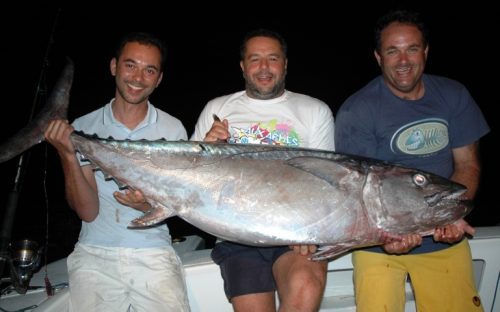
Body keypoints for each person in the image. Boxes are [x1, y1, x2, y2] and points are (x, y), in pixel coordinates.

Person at [335, 9, 490, 312]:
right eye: (393, 51)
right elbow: (359, 195)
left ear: (426, 51)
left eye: (412, 49)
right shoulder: (358, 111)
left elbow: (468, 164)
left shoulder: (453, 96)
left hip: (446, 236)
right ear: (379, 57)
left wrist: (452, 214)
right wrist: (384, 239)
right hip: (377, 245)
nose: (403, 61)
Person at [43, 32, 190, 312]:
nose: (138, 78)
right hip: (95, 253)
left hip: (153, 251)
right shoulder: (85, 125)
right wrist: (67, 154)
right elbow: (88, 212)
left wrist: (145, 206)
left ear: (159, 79)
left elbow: (174, 202)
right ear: (114, 67)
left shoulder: (173, 130)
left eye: (150, 70)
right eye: (130, 65)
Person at [191, 28, 335, 311]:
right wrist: (207, 150)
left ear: (285, 63)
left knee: (305, 286)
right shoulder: (217, 108)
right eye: (255, 59)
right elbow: (190, 180)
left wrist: (310, 232)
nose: (264, 67)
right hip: (237, 234)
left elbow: (325, 182)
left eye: (273, 58)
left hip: (295, 232)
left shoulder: (314, 110)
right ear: (243, 66)